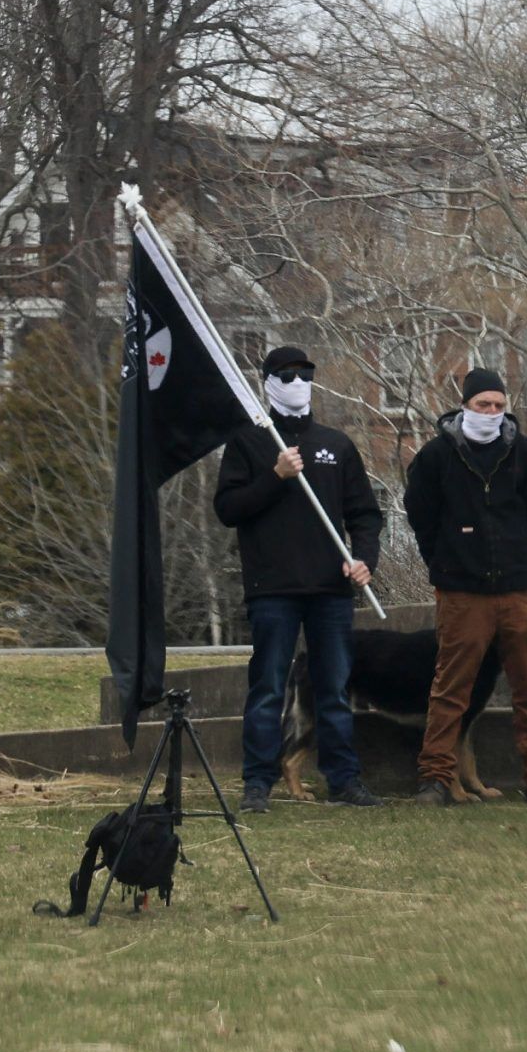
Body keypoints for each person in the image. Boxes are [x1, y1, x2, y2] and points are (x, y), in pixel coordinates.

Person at [215, 345, 385, 812]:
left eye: (304, 374)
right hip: (272, 589)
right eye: (286, 375)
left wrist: (364, 559)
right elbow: (228, 509)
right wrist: (275, 476)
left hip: (330, 589)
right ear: (268, 382)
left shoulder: (338, 444)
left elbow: (365, 514)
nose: (296, 383)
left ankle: (344, 779)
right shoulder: (249, 442)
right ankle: (257, 781)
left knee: (333, 688)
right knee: (268, 685)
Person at [402, 367, 527, 806]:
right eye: (483, 404)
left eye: (499, 406)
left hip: (515, 587)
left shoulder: (524, 452)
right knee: (451, 687)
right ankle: (435, 776)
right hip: (461, 590)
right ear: (465, 405)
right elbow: (421, 518)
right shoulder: (434, 456)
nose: (491, 412)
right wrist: (447, 562)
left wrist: (521, 554)